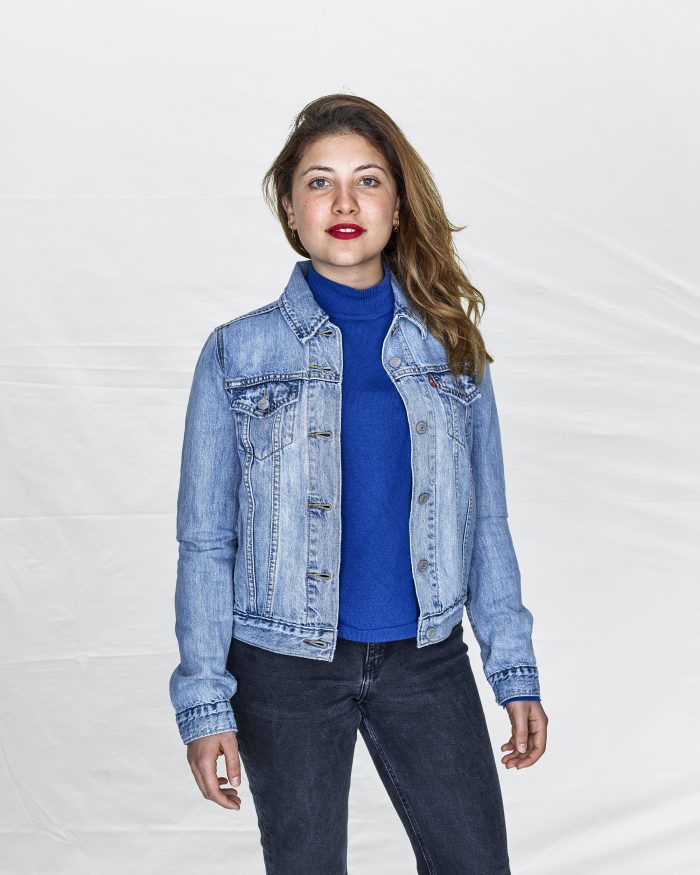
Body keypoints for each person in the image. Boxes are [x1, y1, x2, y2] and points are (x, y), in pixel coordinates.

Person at [169, 93, 548, 874]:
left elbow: (486, 521)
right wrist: (205, 702)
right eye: (320, 182)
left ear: (398, 205)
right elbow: (206, 540)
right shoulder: (238, 353)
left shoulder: (453, 350)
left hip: (426, 659)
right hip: (282, 668)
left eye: (368, 180)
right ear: (290, 207)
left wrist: (513, 668)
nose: (344, 203)